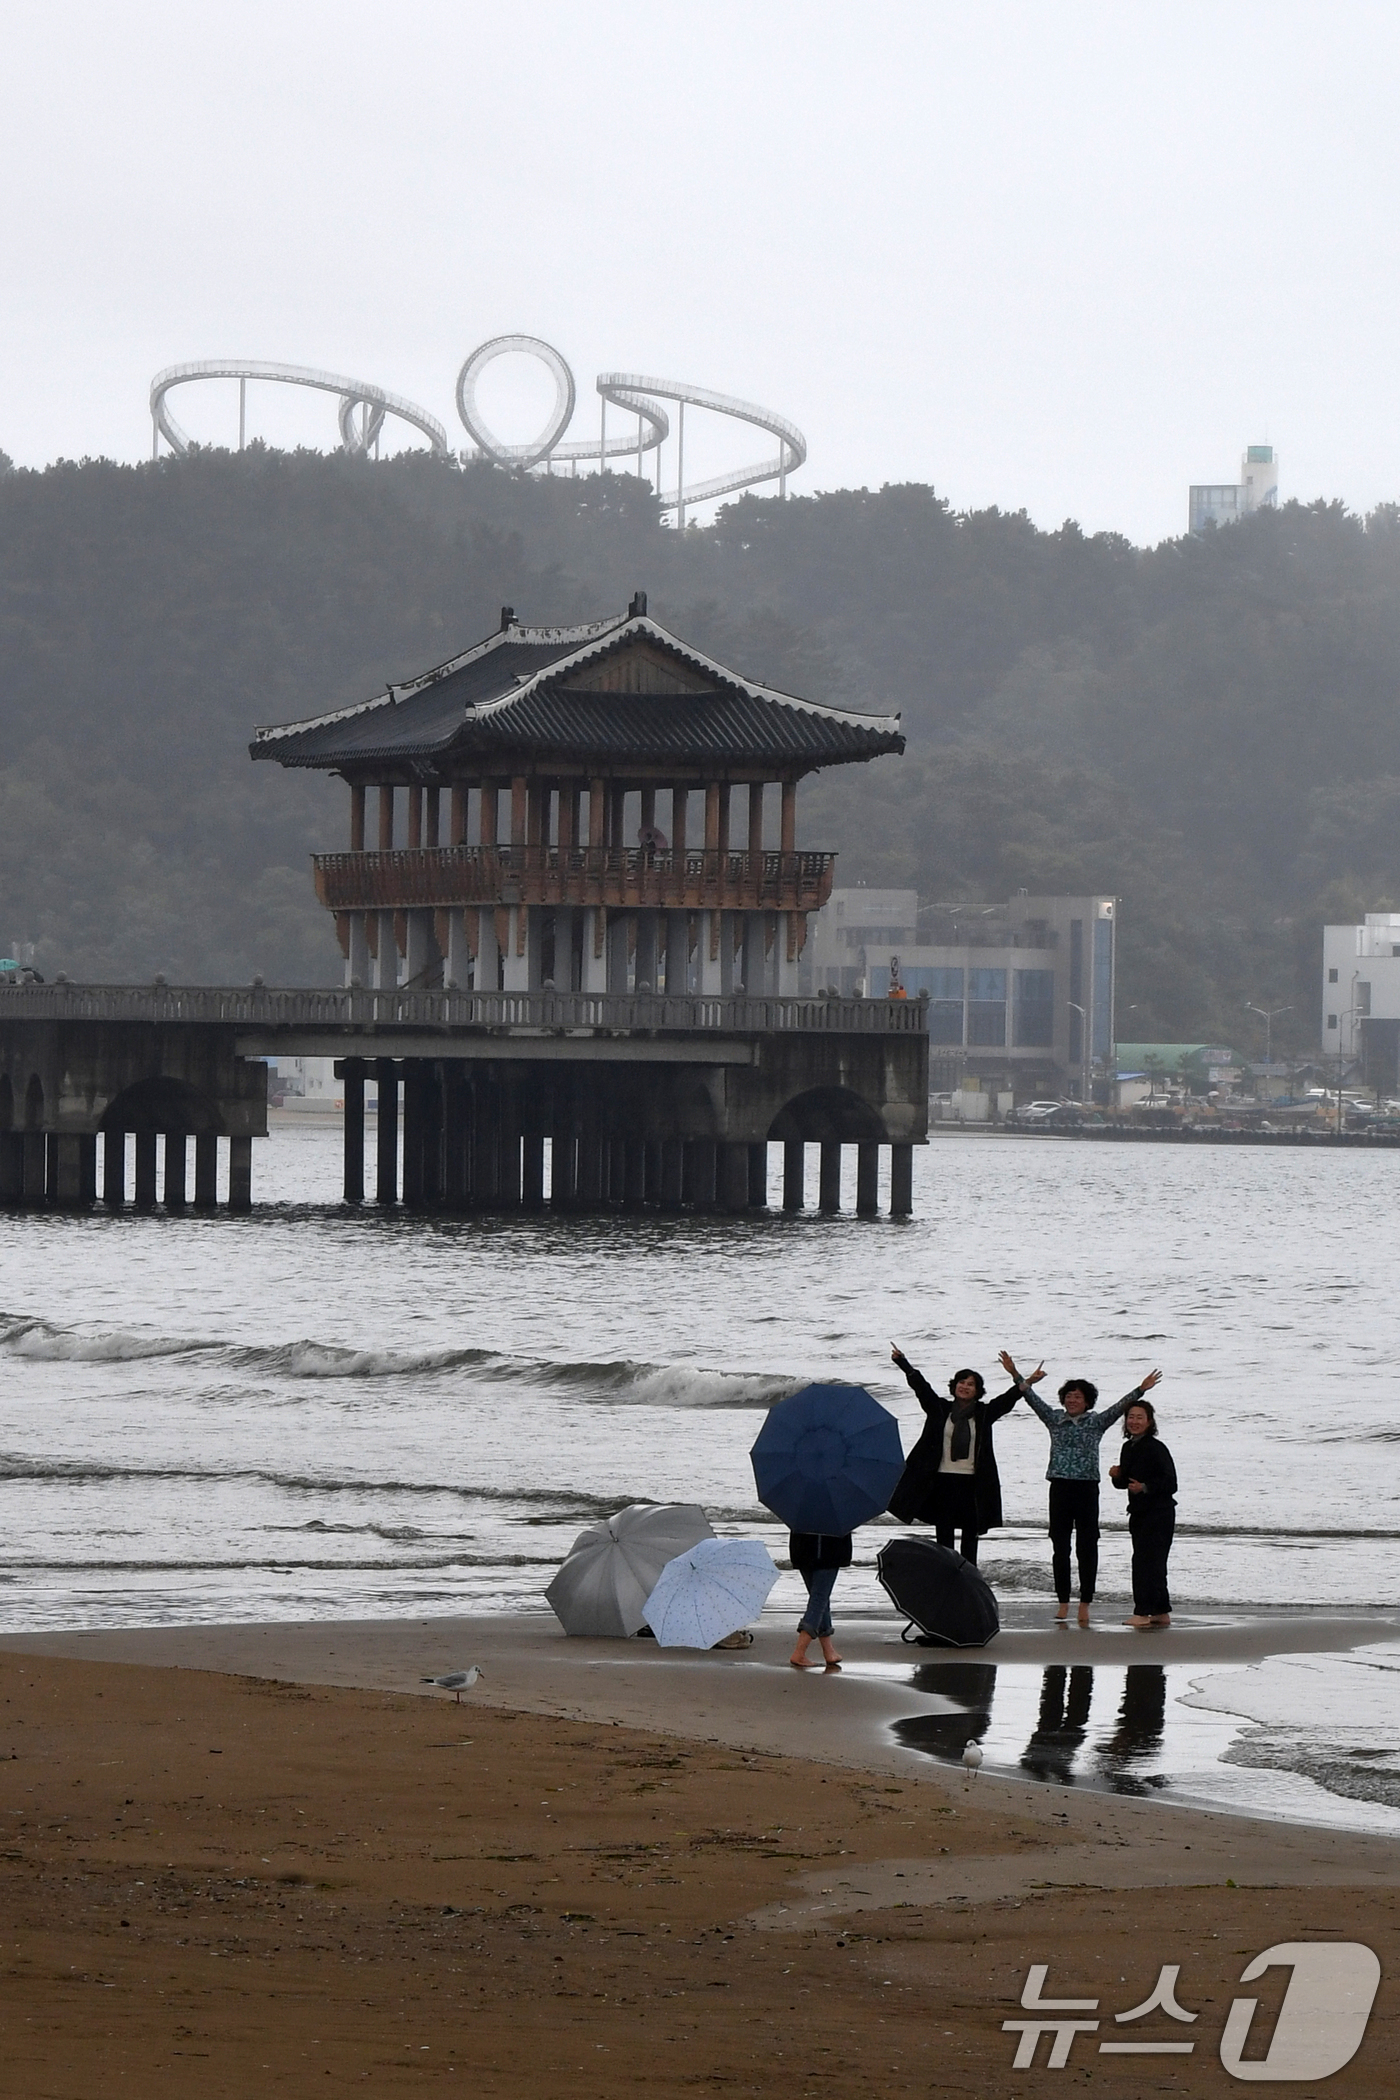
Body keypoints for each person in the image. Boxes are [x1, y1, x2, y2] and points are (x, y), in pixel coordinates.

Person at [1002, 1351, 1162, 1625]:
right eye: (1068, 1396)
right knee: (1060, 1546)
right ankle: (1063, 1601)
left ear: (1087, 1401)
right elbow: (1029, 1397)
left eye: (1078, 1397)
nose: (1072, 1400)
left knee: (1088, 1547)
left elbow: (1119, 1407)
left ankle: (1085, 1602)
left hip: (1087, 1490)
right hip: (1060, 1489)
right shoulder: (1054, 1419)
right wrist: (1016, 1373)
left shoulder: (1096, 1422)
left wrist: (1141, 1388)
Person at [887, 1347, 1040, 1562]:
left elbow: (1009, 1399)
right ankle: (944, 1579)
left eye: (970, 1384)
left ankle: (969, 1577)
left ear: (977, 1391)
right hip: (942, 1481)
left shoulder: (984, 1413)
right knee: (944, 1538)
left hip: (972, 1483)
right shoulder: (939, 1409)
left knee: (970, 1536)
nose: (965, 1387)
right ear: (954, 1386)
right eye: (961, 1382)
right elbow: (921, 1388)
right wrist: (903, 1363)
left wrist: (1027, 1380)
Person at [1109, 1397, 1177, 1627]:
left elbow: (1171, 1483)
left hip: (1159, 1512)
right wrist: (1116, 1476)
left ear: (1149, 1422)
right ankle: (1160, 1611)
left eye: (1139, 1417)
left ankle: (1143, 1612)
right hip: (1138, 1512)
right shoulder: (1128, 1447)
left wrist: (1145, 1487)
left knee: (1149, 1563)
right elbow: (1124, 1484)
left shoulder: (1156, 1448)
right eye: (1131, 1417)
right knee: (1146, 1561)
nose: (1134, 1421)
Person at [789, 1530, 851, 1667]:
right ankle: (799, 1653)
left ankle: (829, 1651)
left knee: (820, 1599)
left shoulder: (800, 1510)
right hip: (828, 1549)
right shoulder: (837, 1511)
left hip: (801, 1547)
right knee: (819, 1599)